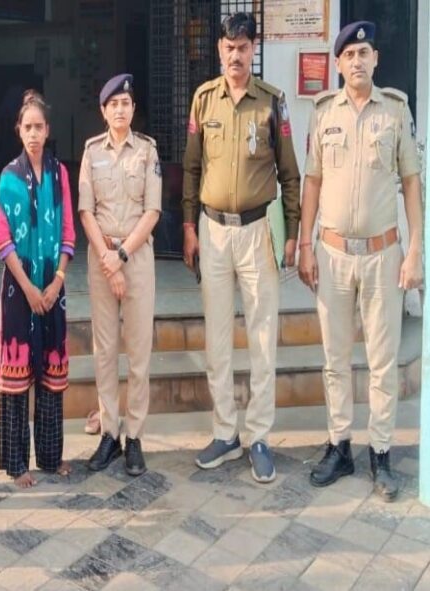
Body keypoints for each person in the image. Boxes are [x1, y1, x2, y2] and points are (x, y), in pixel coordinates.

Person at [299, 21, 422, 501]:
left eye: (363, 53)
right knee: (334, 359)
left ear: (375, 60)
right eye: (348, 55)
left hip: (382, 256)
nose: (356, 61)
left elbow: (411, 182)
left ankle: (382, 453)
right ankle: (340, 446)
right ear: (338, 64)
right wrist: (304, 244)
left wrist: (415, 250)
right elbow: (312, 181)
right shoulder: (323, 112)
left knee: (382, 361)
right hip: (331, 255)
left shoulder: (395, 111)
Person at [182, 12, 301, 483]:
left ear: (254, 50)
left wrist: (292, 233)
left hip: (257, 232)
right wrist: (188, 225)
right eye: (229, 47)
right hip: (212, 231)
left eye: (244, 47)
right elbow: (192, 168)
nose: (236, 55)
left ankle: (259, 437)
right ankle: (225, 432)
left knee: (262, 339)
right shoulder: (203, 99)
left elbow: (289, 174)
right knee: (217, 339)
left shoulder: (271, 102)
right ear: (219, 49)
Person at [79, 74, 162, 477]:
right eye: (113, 104)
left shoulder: (147, 151)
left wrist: (122, 255)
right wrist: (107, 258)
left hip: (137, 257)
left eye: (126, 103)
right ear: (103, 110)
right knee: (105, 350)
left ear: (133, 108)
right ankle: (109, 432)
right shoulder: (91, 151)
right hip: (101, 257)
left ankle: (135, 436)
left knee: (139, 353)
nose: (120, 110)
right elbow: (85, 211)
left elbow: (153, 211)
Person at [0, 90, 76, 488]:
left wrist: (57, 281)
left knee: (51, 373)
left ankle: (50, 456)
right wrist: (28, 287)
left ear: (48, 130)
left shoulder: (60, 175)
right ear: (18, 130)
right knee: (16, 376)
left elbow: (69, 233)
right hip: (19, 290)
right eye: (27, 127)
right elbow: (2, 239)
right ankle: (16, 464)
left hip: (52, 288)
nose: (33, 134)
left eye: (39, 127)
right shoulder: (9, 176)